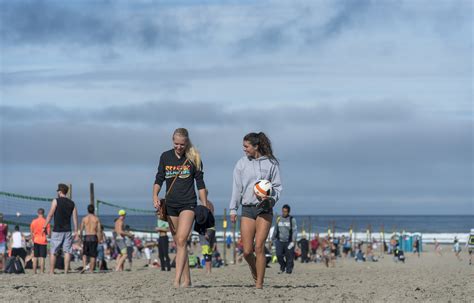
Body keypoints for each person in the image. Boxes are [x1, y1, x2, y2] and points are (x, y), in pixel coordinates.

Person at [153, 128, 209, 288]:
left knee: (182, 239)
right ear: (172, 141)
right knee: (179, 244)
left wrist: (204, 204)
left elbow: (200, 183)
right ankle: (187, 280)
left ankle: (177, 281)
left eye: (182, 144)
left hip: (188, 203)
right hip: (171, 205)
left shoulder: (194, 158)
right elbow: (159, 178)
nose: (179, 147)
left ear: (187, 142)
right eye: (176, 144)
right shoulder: (165, 156)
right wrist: (155, 196)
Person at [229, 132, 282, 289]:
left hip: (264, 209)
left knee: (259, 246)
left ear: (256, 146)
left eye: (246, 146)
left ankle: (259, 284)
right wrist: (233, 209)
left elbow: (278, 187)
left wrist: (271, 199)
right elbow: (237, 188)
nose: (244, 149)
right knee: (246, 251)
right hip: (247, 208)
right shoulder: (241, 164)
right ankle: (254, 270)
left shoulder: (271, 163)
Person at [43, 184, 79, 274]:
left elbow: (50, 214)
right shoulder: (72, 203)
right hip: (68, 230)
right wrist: (76, 230)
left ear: (60, 191)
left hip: (57, 230)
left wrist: (45, 226)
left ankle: (51, 271)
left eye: (58, 191)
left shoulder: (56, 201)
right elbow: (75, 218)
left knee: (53, 251)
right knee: (67, 251)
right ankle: (66, 271)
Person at [271, 204, 297, 273]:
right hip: (279, 241)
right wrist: (272, 238)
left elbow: (294, 230)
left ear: (288, 212)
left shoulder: (292, 219)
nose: (284, 213)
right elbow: (275, 229)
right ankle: (283, 266)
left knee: (289, 257)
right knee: (279, 255)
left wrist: (294, 240)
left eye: (285, 212)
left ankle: (289, 269)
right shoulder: (279, 219)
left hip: (289, 241)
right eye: (283, 211)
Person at [80, 204, 102, 273]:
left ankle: (84, 267)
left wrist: (81, 238)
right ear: (93, 210)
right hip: (93, 236)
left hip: (86, 236)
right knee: (93, 255)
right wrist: (99, 239)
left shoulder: (84, 218)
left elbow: (81, 230)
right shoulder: (96, 219)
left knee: (84, 254)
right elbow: (99, 230)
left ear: (87, 210)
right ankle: (91, 270)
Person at [30, 208, 50, 274]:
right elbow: (49, 234)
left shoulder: (33, 221)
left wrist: (33, 240)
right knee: (42, 257)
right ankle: (42, 271)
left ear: (37, 213)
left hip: (36, 240)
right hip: (43, 240)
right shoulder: (46, 221)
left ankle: (34, 271)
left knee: (35, 257)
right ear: (43, 213)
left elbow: (32, 233)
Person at [199, 200, 216, 274]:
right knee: (209, 250)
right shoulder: (210, 203)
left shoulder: (204, 204)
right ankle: (209, 270)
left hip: (206, 229)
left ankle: (208, 270)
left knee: (206, 251)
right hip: (212, 228)